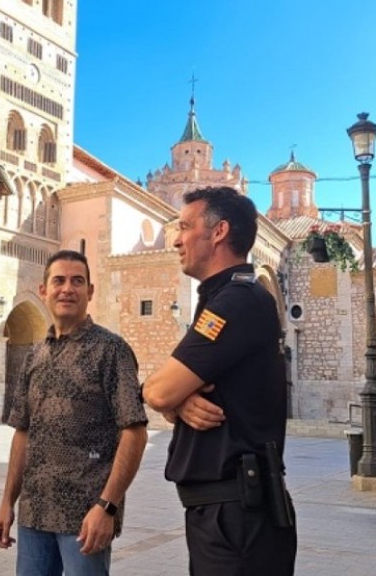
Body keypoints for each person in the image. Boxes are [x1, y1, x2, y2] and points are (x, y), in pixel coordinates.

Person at [143, 187, 297, 576]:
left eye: (185, 227)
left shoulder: (236, 302)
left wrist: (169, 397)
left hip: (236, 519)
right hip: (229, 514)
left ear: (218, 232)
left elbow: (158, 390)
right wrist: (179, 403)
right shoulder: (226, 298)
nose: (176, 240)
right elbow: (170, 392)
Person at [0, 250, 148, 576]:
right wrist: (7, 502)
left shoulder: (111, 350)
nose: (67, 289)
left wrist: (107, 506)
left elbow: (134, 432)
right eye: (59, 281)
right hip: (35, 512)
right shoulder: (35, 355)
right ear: (44, 290)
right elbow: (22, 432)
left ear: (90, 291)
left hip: (86, 516)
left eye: (77, 281)